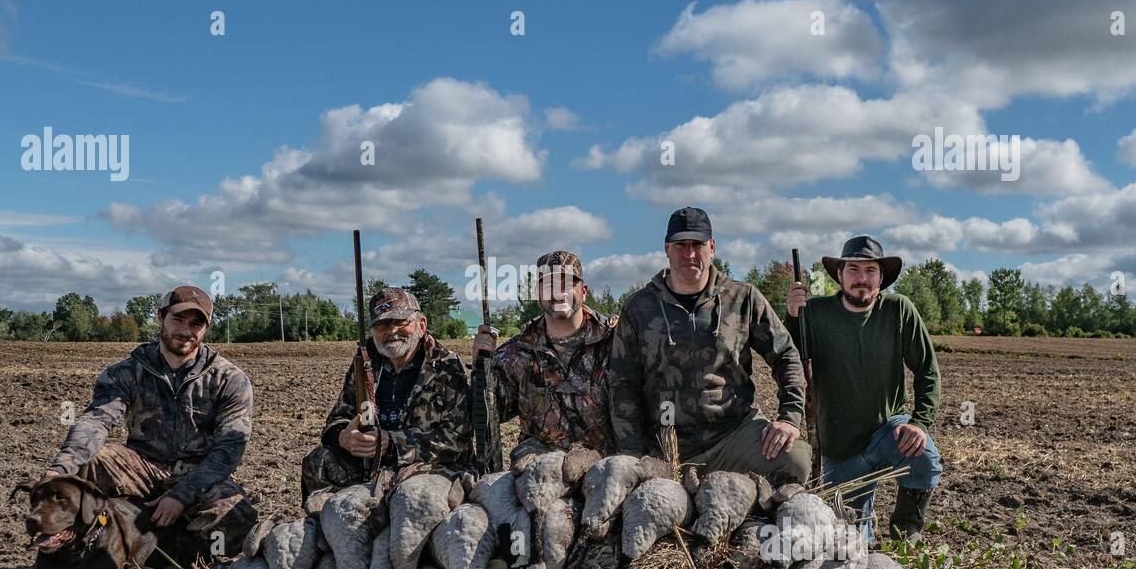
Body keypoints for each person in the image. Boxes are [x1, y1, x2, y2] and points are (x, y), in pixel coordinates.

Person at [41, 284, 257, 556]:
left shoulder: (229, 380)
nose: (185, 331)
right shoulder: (126, 373)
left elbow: (228, 451)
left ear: (206, 329)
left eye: (196, 324)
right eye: (177, 319)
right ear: (160, 317)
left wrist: (182, 495)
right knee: (91, 462)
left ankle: (187, 565)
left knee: (234, 515)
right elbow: (96, 421)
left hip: (200, 474)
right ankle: (77, 557)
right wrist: (61, 470)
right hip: (141, 467)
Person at [607, 206, 810, 483]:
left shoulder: (743, 297)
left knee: (795, 461)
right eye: (680, 245)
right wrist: (631, 453)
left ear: (712, 247)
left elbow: (785, 354)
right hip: (665, 442)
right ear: (667, 249)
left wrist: (789, 417)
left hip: (734, 434)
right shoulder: (640, 307)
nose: (689, 254)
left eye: (697, 245)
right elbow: (622, 383)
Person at [786, 235, 942, 541]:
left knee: (924, 457)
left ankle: (905, 531)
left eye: (870, 271)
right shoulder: (814, 314)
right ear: (840, 275)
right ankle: (866, 537)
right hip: (840, 449)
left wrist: (920, 423)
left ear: (881, 278)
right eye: (854, 270)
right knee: (854, 543)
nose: (862, 278)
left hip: (888, 431)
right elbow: (788, 357)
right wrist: (792, 316)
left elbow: (927, 369)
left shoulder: (899, 310)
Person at [301, 287, 471, 498]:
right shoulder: (365, 363)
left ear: (421, 325)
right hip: (371, 463)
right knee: (319, 461)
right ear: (372, 331)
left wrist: (391, 444)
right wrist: (344, 436)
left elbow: (456, 441)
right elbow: (338, 417)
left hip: (428, 465)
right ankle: (323, 527)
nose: (391, 332)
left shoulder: (447, 367)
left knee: (408, 494)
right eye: (381, 325)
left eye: (400, 322)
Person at [472, 250, 617, 455]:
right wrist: (481, 364)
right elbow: (490, 413)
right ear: (538, 293)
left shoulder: (616, 342)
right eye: (549, 286)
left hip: (605, 466)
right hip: (538, 469)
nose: (558, 293)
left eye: (566, 285)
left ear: (584, 291)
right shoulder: (516, 353)